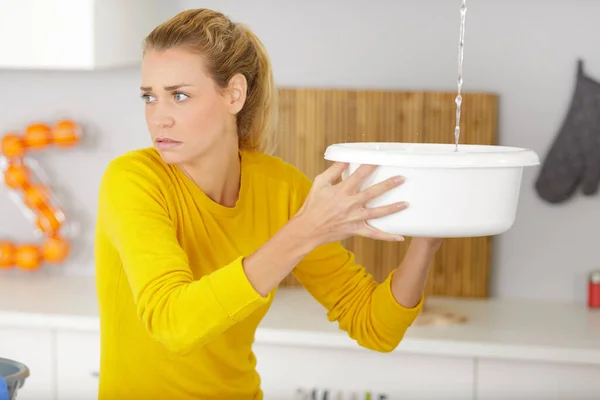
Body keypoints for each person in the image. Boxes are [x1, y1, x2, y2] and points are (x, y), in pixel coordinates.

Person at [94, 7, 443, 400]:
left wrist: (430, 236)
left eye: (178, 96)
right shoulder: (133, 180)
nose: (159, 118)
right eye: (149, 97)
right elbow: (173, 323)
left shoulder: (282, 189)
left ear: (234, 94)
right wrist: (304, 232)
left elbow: (375, 326)